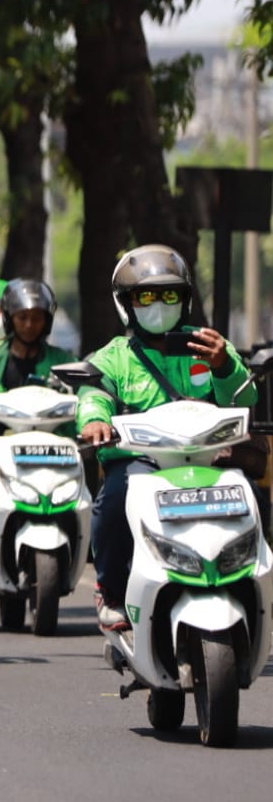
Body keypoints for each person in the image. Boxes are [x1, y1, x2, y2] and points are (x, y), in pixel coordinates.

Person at [75, 245, 256, 632]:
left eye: (169, 294)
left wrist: (224, 366)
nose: (159, 304)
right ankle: (110, 590)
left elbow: (245, 396)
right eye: (146, 296)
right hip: (142, 462)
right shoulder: (114, 356)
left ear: (185, 299)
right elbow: (93, 394)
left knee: (249, 495)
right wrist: (95, 421)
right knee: (115, 495)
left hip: (206, 459)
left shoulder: (207, 344)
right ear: (127, 303)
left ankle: (248, 583)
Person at [0, 278, 78, 564]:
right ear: (10, 319)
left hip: (51, 447)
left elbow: (82, 389)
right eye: (23, 318)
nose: (30, 325)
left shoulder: (62, 358)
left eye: (36, 318)